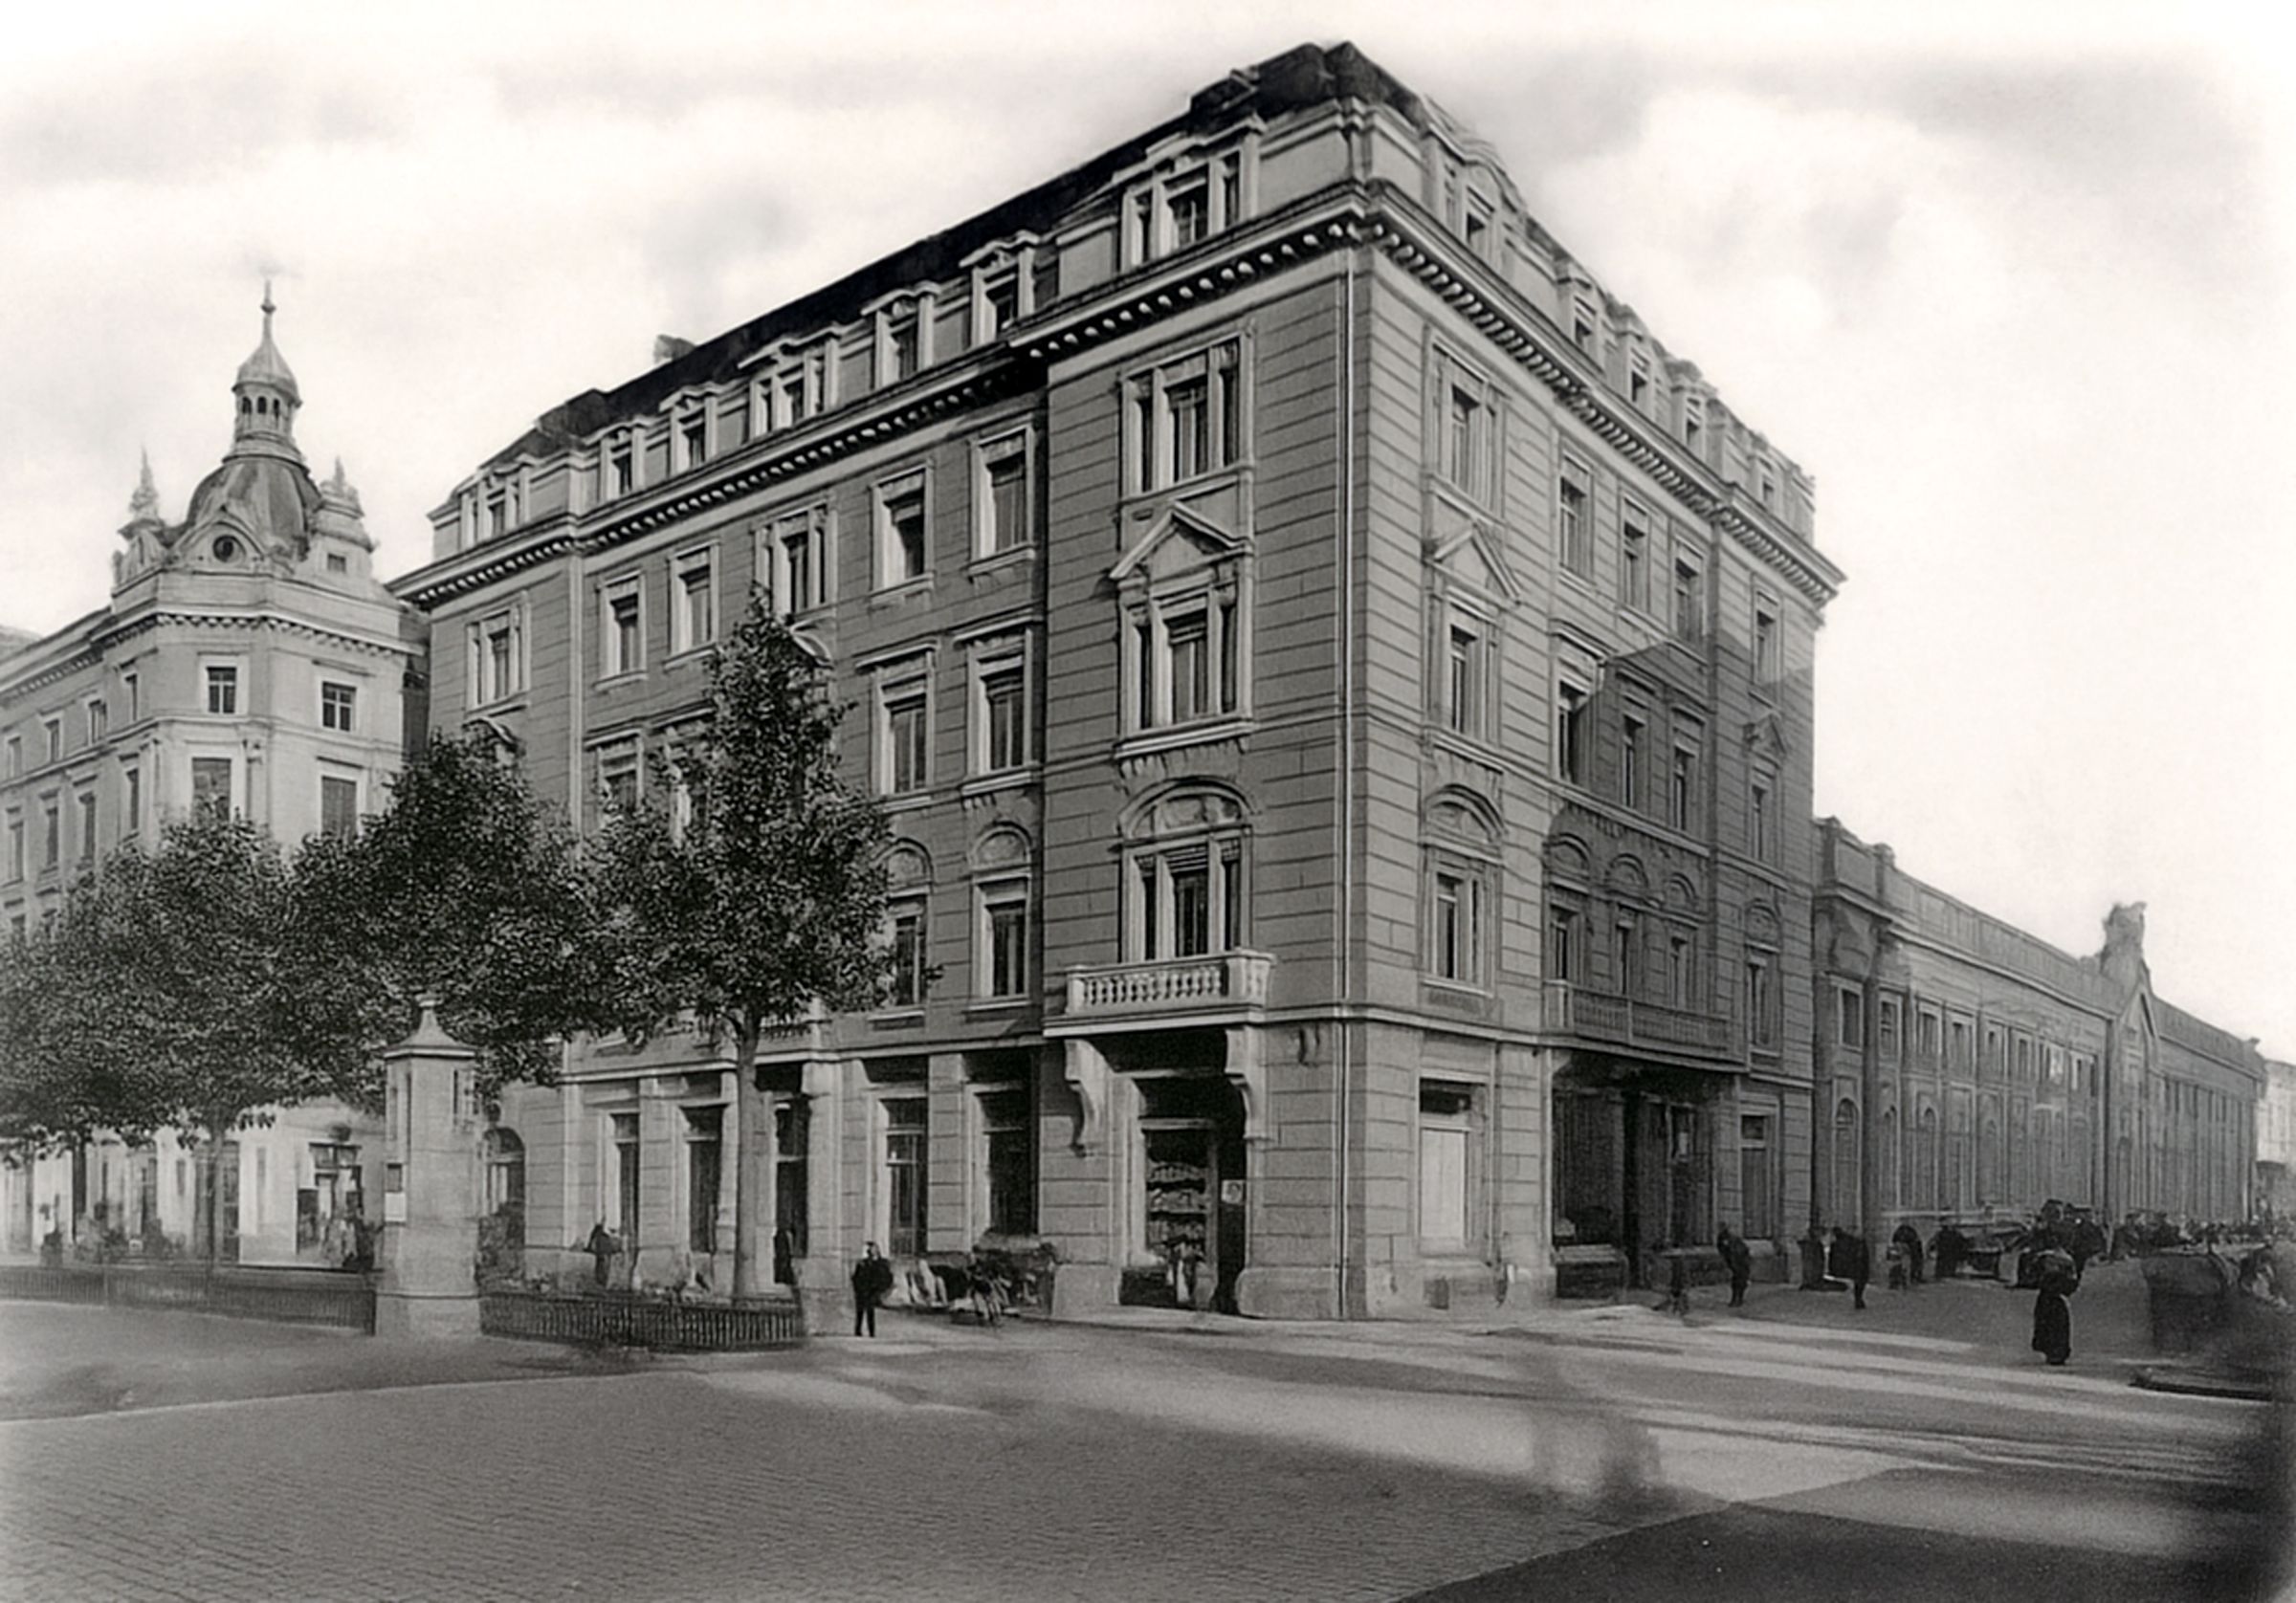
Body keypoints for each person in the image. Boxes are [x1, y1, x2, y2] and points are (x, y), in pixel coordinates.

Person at [2030, 1246, 2076, 1366]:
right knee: (2056, 1327)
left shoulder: (2044, 1259)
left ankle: (2052, 1350)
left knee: (2049, 1326)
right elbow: (2070, 1287)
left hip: (2048, 1301)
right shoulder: (2064, 1261)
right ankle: (2056, 1351)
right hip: (2054, 1302)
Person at [850, 1241, 894, 1337]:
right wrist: (857, 1288)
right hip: (862, 1290)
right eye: (869, 1251)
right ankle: (858, 1330)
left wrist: (881, 1289)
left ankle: (871, 1332)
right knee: (860, 1311)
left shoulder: (882, 1263)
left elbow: (887, 1277)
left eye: (873, 1250)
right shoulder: (862, 1263)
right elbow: (855, 1277)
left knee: (870, 1311)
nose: (871, 1252)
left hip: (872, 1290)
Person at [1828, 1226, 1870, 1309]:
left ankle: (1858, 1299)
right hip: (1858, 1266)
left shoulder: (1853, 1242)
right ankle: (1859, 1300)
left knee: (1858, 1283)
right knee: (1859, 1283)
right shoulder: (1854, 1242)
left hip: (1857, 1266)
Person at [1716, 1225, 1753, 1308]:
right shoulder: (1730, 1243)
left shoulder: (1736, 1243)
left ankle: (1738, 1299)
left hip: (1740, 1265)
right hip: (1737, 1265)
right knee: (1737, 1283)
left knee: (1740, 1282)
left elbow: (1741, 1255)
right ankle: (1736, 1299)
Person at [581, 1220, 618, 1288]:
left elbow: (593, 1245)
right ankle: (602, 1282)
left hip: (601, 1255)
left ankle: (601, 1282)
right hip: (603, 1255)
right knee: (603, 1268)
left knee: (601, 1268)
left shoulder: (599, 1237)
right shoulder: (604, 1237)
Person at [1891, 1221, 1926, 1285]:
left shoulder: (1902, 1234)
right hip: (1909, 1251)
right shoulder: (1911, 1236)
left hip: (1907, 1251)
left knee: (1904, 1263)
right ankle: (1910, 1277)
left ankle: (1906, 1277)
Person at [1665, 1250, 1689, 1317]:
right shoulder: (1677, 1267)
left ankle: (1679, 1310)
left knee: (1678, 1298)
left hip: (1678, 1286)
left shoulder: (1679, 1267)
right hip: (1677, 1285)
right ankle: (1678, 1310)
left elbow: (1683, 1277)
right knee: (1677, 1298)